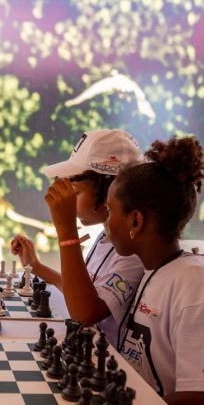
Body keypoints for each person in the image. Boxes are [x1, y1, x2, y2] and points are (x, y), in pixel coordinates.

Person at [11, 129, 145, 346]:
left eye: (77, 192)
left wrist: (67, 233)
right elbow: (83, 293)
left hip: (108, 365)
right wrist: (37, 267)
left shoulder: (132, 251)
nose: (70, 200)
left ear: (111, 190)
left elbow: (84, 313)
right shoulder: (106, 237)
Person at [106, 136, 204, 403]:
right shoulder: (155, 270)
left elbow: (197, 395)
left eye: (110, 212)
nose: (106, 224)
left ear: (135, 221)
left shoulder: (193, 286)